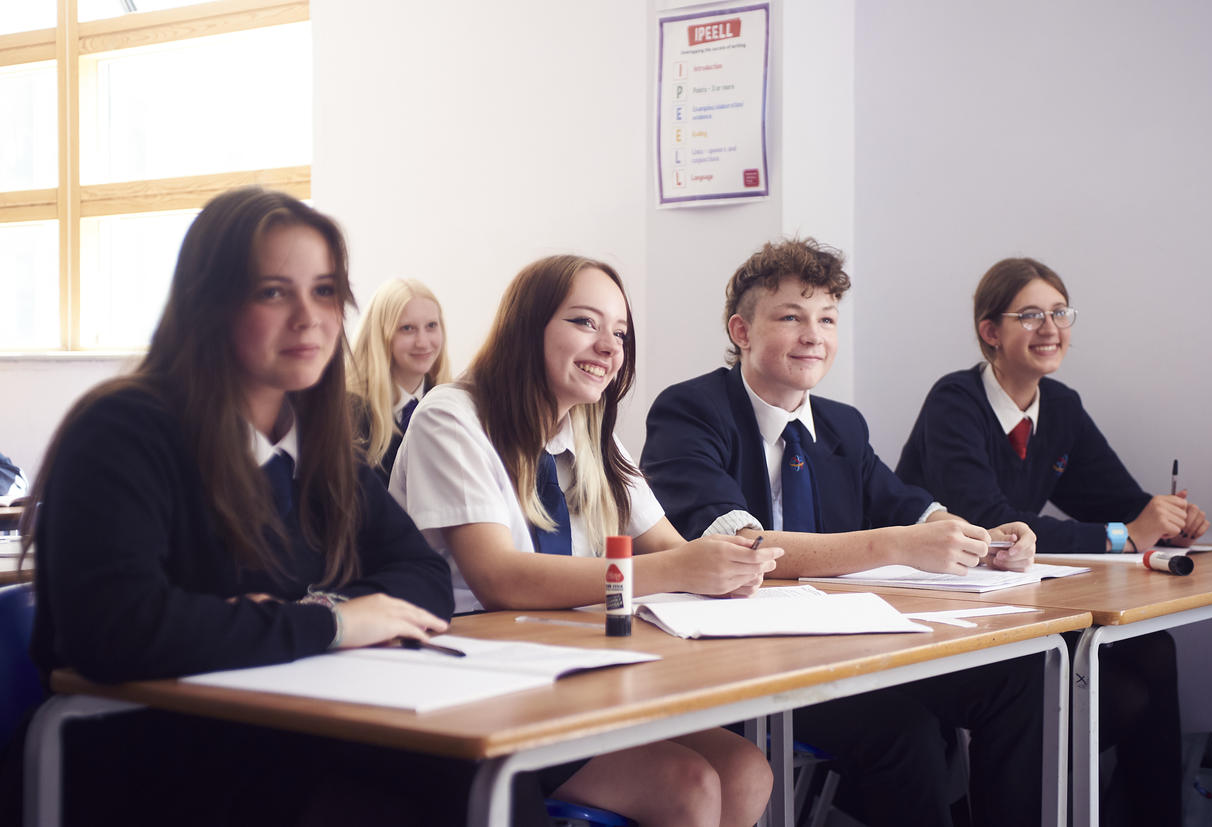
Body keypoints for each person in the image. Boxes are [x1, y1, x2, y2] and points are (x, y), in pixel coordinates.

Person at [14, 188, 467, 826]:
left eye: (326, 291)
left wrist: (313, 614)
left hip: (296, 731)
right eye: (274, 292)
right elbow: (118, 631)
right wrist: (334, 626)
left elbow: (421, 578)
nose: (310, 318)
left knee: (478, 785)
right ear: (210, 305)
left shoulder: (317, 435)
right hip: (154, 757)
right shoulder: (123, 431)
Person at [641, 237, 1042, 827]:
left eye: (827, 319)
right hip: (744, 661)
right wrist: (900, 543)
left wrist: (981, 540)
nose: (814, 336)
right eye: (790, 317)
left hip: (846, 646)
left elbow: (907, 505)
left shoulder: (840, 424)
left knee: (1018, 678)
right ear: (742, 331)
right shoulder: (689, 411)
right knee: (904, 733)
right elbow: (746, 550)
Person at [391, 254, 777, 827]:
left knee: (749, 770)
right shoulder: (453, 416)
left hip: (572, 670)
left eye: (619, 331)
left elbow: (670, 550)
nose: (609, 346)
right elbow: (499, 579)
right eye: (584, 322)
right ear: (528, 326)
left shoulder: (592, 431)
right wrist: (683, 570)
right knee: (688, 785)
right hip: (476, 684)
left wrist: (730, 565)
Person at [896, 256, 1205, 826]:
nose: (1051, 328)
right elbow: (988, 519)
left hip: (1014, 594)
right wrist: (1123, 534)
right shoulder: (954, 403)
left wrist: (1163, 518)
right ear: (991, 332)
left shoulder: (1060, 406)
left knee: (1153, 651)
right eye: (1031, 314)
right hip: (943, 602)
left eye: (1061, 313)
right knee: (1104, 697)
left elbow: (1116, 500)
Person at [348, 277, 451, 485]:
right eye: (407, 328)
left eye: (431, 326)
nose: (423, 342)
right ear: (381, 335)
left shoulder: (452, 404)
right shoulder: (349, 412)